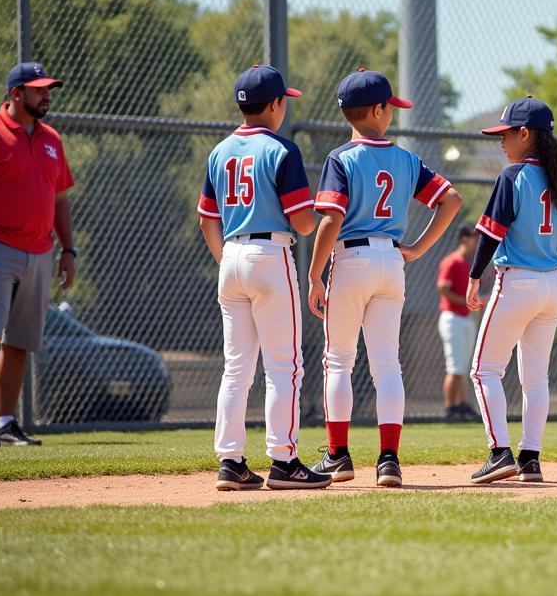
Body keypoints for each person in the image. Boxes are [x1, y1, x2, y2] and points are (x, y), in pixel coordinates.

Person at [308, 69, 461, 488]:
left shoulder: (341, 157)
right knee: (387, 364)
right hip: (392, 261)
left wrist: (314, 274)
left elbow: (331, 219)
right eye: (389, 108)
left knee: (338, 359)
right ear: (377, 110)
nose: (391, 114)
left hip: (351, 257)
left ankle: (338, 455)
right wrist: (416, 247)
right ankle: (389, 460)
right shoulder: (406, 159)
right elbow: (451, 200)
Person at [198, 65, 331, 491]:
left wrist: (227, 259)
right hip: (269, 254)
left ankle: (231, 462)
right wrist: (326, 215)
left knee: (236, 369)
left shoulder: (219, 151)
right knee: (284, 366)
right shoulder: (281, 150)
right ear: (274, 104)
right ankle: (285, 461)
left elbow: (206, 219)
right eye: (283, 101)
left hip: (231, 255)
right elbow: (303, 223)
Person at [465, 97, 557, 484]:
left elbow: (490, 234)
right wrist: (549, 266)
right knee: (536, 378)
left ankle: (500, 453)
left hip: (517, 281)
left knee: (483, 371)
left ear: (525, 134)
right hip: (553, 284)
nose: (502, 141)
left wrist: (474, 275)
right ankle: (530, 459)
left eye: (507, 134)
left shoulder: (513, 176)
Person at [0, 62, 75, 449]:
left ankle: (6, 421)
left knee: (20, 340)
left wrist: (69, 250)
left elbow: (60, 198)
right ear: (16, 94)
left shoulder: (51, 139)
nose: (47, 94)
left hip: (40, 250)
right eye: (38, 89)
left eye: (48, 88)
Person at [436, 225, 481, 420]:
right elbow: (442, 288)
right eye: (473, 237)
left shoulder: (467, 263)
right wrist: (465, 301)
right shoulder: (452, 261)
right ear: (464, 239)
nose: (477, 241)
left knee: (462, 366)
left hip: (465, 317)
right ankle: (450, 407)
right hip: (452, 318)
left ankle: (461, 404)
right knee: (454, 367)